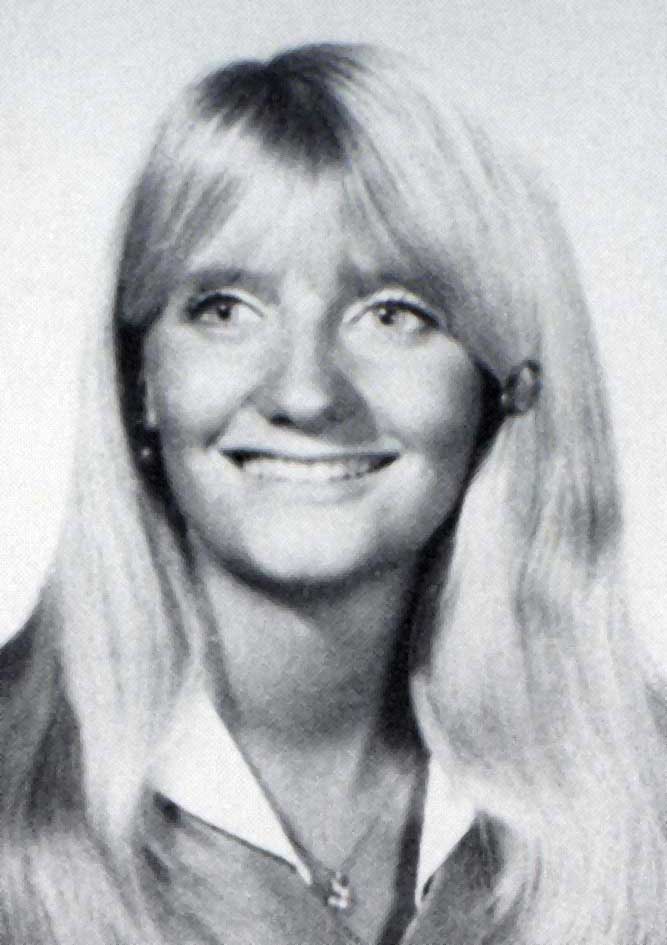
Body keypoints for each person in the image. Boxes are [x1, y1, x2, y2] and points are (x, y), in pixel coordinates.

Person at [0, 42, 665, 945]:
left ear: (499, 384)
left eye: (392, 313)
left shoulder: (647, 795)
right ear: (139, 379)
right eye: (224, 308)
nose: (306, 392)